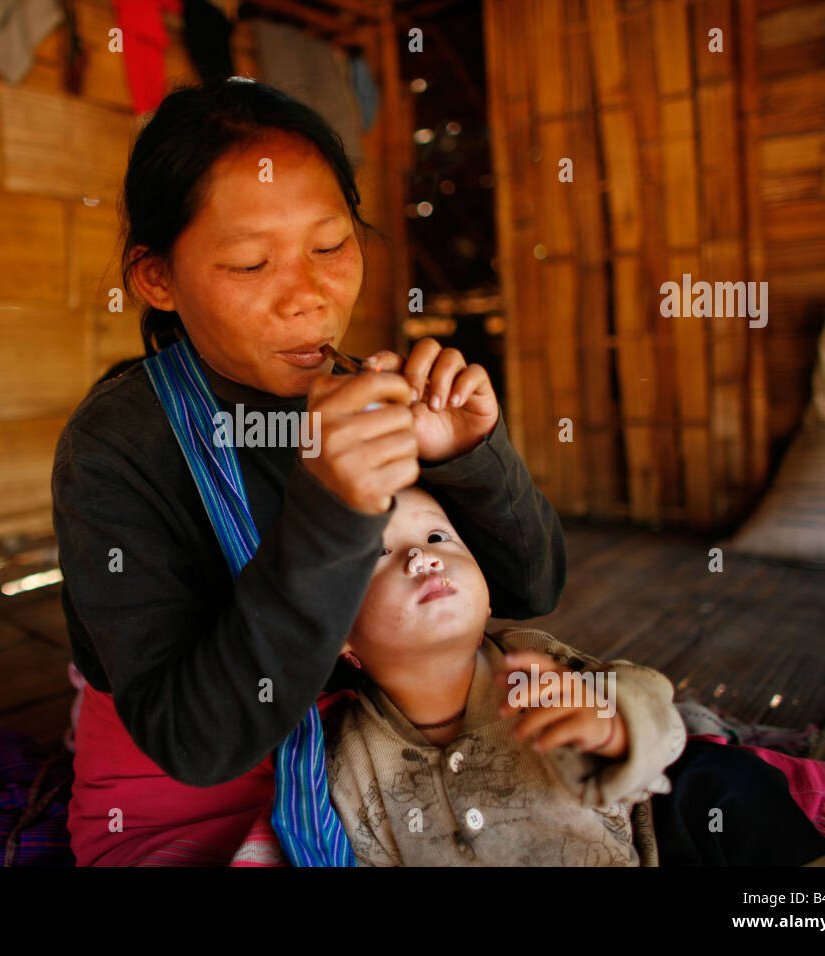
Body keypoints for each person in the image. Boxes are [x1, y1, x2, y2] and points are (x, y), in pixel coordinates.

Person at [51, 78, 566, 866]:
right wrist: (329, 513)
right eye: (251, 264)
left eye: (331, 246)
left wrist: (468, 455)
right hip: (195, 795)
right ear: (158, 278)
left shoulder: (371, 394)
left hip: (385, 752)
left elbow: (533, 588)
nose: (310, 298)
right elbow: (195, 742)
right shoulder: (117, 448)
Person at [323, 485, 825, 866]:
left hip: (649, 853)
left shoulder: (534, 666)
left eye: (438, 536)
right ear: (340, 639)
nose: (422, 557)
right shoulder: (346, 758)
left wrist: (612, 723)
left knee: (723, 778)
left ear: (486, 596)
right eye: (378, 553)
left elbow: (649, 705)